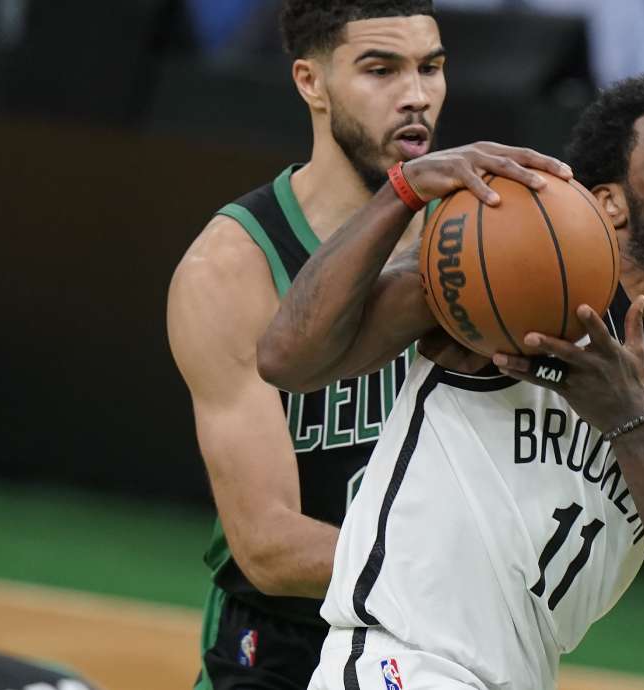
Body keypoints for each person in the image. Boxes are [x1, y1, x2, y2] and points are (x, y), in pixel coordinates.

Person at [256, 67, 644, 689]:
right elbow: (287, 359)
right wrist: (402, 191)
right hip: (402, 660)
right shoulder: (499, 279)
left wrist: (632, 423)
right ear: (609, 203)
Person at [165, 2, 530, 688]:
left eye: (431, 68)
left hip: (441, 640)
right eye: (381, 70)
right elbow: (267, 547)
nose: (416, 95)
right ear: (311, 82)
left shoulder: (487, 241)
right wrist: (458, 572)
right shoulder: (233, 266)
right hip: (285, 642)